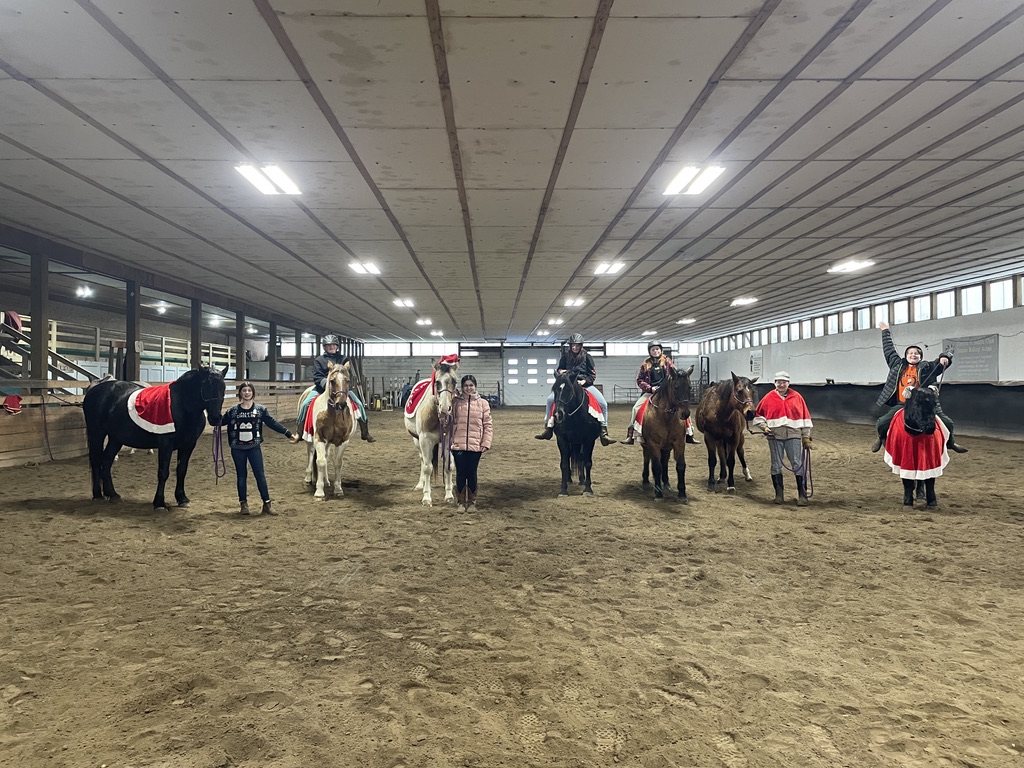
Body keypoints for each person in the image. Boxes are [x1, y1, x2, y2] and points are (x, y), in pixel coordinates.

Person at [871, 321, 965, 454]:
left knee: (948, 423)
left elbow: (941, 362)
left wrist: (945, 358)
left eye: (916, 353)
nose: (913, 355)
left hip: (924, 404)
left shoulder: (926, 367)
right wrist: (885, 331)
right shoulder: (896, 364)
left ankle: (951, 443)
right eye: (910, 353)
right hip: (902, 403)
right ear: (906, 355)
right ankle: (881, 438)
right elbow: (888, 349)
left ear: (920, 357)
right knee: (881, 422)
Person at [224, 381, 299, 515]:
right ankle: (243, 504)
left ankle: (267, 503)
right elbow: (219, 421)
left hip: (254, 447)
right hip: (237, 448)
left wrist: (287, 433)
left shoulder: (260, 410)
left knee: (260, 475)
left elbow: (272, 423)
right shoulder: (232, 411)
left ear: (253, 392)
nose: (247, 393)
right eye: (244, 390)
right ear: (240, 393)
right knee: (241, 476)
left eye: (249, 390)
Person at [534, 333, 613, 446]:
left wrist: (584, 381)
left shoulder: (587, 357)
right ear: (570, 346)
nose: (575, 348)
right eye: (573, 346)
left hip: (584, 385)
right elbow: (559, 370)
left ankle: (603, 431)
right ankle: (548, 428)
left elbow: (592, 375)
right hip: (568, 385)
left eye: (577, 346)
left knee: (603, 404)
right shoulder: (565, 357)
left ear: (581, 346)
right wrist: (561, 372)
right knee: (550, 400)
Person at [298, 334, 375, 442]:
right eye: (329, 345)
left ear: (337, 346)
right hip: (322, 389)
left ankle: (365, 432)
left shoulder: (343, 359)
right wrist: (327, 385)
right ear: (325, 347)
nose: (331, 347)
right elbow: (317, 376)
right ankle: (299, 432)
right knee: (305, 404)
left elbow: (347, 374)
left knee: (359, 404)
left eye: (333, 345)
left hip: (341, 389)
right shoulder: (319, 360)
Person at [621, 341, 699, 445]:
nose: (655, 351)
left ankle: (690, 433)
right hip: (651, 392)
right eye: (653, 349)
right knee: (636, 408)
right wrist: (650, 388)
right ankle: (630, 434)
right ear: (649, 351)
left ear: (661, 350)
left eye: (657, 349)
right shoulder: (645, 364)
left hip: (666, 392)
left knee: (682, 406)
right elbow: (640, 380)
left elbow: (675, 375)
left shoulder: (667, 362)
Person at [754, 371, 813, 506]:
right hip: (775, 436)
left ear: (788, 383)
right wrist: (764, 427)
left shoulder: (797, 397)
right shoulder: (768, 398)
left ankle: (802, 495)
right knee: (776, 464)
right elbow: (759, 416)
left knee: (797, 463)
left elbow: (805, 417)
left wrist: (805, 437)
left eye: (784, 382)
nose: (781, 385)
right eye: (778, 382)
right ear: (775, 383)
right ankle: (779, 495)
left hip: (793, 435)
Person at [452, 374, 493, 512]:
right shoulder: (455, 402)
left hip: (476, 445)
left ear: (475, 386)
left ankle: (471, 502)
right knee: (460, 473)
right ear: (462, 387)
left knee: (472, 473)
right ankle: (460, 501)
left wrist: (486, 442)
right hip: (458, 444)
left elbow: (488, 424)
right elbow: (448, 422)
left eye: (471, 385)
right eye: (465, 385)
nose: (468, 388)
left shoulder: (483, 404)